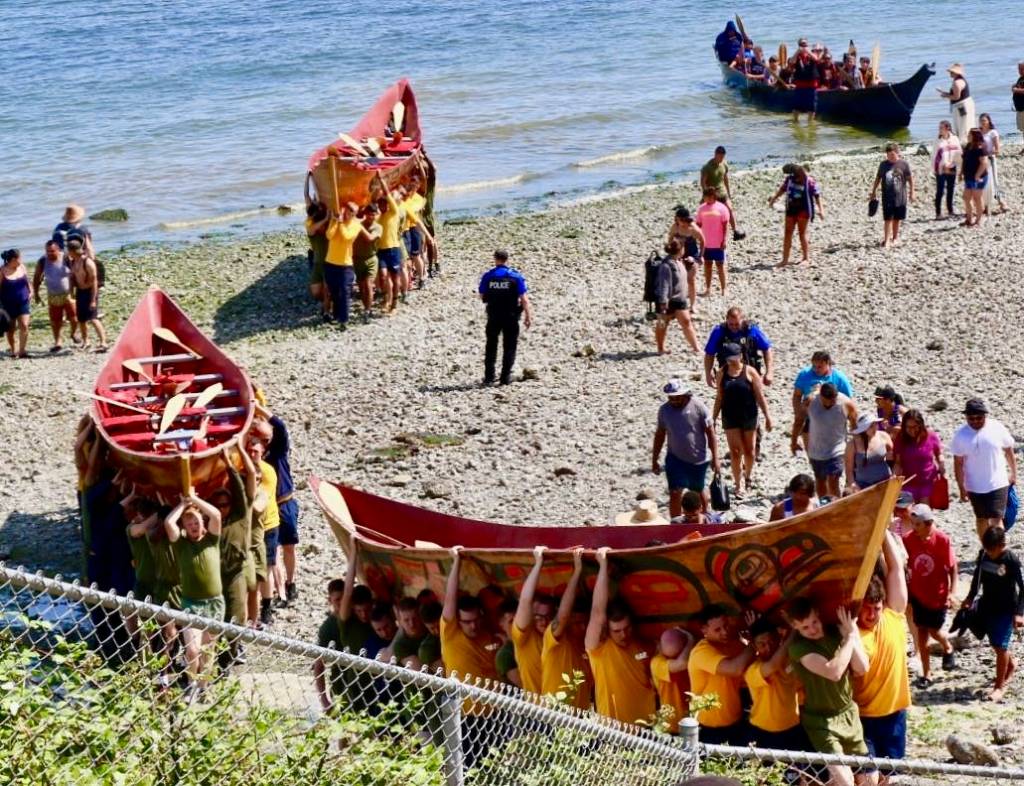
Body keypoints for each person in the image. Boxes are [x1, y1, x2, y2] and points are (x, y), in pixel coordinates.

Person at [786, 599, 869, 786]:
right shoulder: (799, 647)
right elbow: (834, 672)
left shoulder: (835, 632)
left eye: (814, 622)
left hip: (848, 713)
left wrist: (851, 632)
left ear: (819, 616)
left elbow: (862, 667)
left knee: (868, 779)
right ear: (796, 627)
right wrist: (848, 638)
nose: (812, 630)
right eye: (805, 627)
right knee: (844, 780)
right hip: (821, 721)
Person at [853, 532, 910, 776]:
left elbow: (896, 567)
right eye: (866, 609)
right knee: (866, 778)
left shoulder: (893, 614)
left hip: (895, 714)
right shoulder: (852, 632)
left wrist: (882, 528)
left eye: (876, 608)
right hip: (863, 717)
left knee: (891, 776)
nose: (872, 615)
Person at [585, 547, 656, 724]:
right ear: (607, 631)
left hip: (648, 728)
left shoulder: (641, 647)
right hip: (614, 730)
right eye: (617, 631)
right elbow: (598, 612)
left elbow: (646, 658)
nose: (624, 634)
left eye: (627, 628)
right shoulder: (598, 650)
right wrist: (602, 566)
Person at [164, 492, 223, 687]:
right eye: (189, 525)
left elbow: (216, 516)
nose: (193, 527)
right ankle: (191, 683)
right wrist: (183, 504)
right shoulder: (181, 545)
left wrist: (196, 500)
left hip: (214, 603)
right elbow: (168, 524)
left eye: (196, 522)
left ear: (202, 523)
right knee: (192, 649)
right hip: (191, 603)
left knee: (208, 649)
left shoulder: (211, 539)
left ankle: (203, 687)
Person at [963, 526, 1024, 701]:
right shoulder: (984, 554)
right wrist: (969, 597)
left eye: (992, 550)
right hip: (987, 605)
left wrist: (1019, 613)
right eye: (987, 549)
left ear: (1001, 545)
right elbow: (977, 577)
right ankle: (1011, 665)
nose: (989, 553)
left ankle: (999, 687)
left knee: (1001, 646)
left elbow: (1022, 588)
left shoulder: (1011, 560)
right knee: (995, 643)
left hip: (1006, 609)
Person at [903, 504, 958, 684]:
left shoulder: (942, 540)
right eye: (912, 524)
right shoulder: (908, 540)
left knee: (934, 631)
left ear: (928, 524)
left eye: (918, 524)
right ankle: (927, 674)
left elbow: (952, 567)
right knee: (921, 635)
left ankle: (947, 646)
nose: (914, 528)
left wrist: (952, 592)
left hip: (937, 595)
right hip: (918, 594)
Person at [652, 378, 721, 516]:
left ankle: (704, 518)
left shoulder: (699, 407)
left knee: (697, 491)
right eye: (671, 398)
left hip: (698, 459)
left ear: (685, 394)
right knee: (675, 492)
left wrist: (716, 458)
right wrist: (654, 459)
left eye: (677, 398)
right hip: (675, 458)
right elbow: (660, 434)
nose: (674, 401)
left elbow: (710, 433)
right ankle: (676, 524)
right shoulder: (664, 411)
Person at [687, 604, 754, 744]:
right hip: (709, 728)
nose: (724, 632)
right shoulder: (701, 652)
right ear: (704, 630)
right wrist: (754, 641)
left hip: (736, 722)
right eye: (717, 629)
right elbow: (734, 668)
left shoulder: (735, 644)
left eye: (726, 626)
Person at [313, 558, 374, 712]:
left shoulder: (360, 618)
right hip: (342, 685)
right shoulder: (329, 628)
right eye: (337, 600)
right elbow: (319, 664)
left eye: (344, 599)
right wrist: (324, 699)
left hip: (368, 683)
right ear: (330, 600)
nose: (341, 603)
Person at [950, 398, 1016, 539]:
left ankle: (999, 552)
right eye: (971, 418)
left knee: (996, 519)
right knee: (981, 519)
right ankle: (987, 549)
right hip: (974, 485)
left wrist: (1013, 473)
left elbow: (1009, 450)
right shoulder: (960, 435)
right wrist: (961, 487)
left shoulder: (997, 428)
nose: (975, 421)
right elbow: (958, 463)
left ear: (985, 415)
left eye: (979, 418)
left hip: (998, 482)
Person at [712, 343, 772, 497]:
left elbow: (759, 396)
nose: (730, 361)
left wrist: (767, 416)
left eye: (733, 357)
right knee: (735, 451)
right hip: (730, 416)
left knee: (750, 451)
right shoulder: (722, 373)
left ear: (740, 356)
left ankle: (748, 476)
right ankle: (739, 484)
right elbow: (719, 397)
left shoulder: (750, 372)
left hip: (749, 415)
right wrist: (713, 418)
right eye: (728, 358)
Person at [441, 547, 501, 687]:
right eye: (467, 622)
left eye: (476, 620)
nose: (473, 626)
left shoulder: (487, 636)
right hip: (462, 708)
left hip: (492, 707)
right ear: (458, 621)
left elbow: (491, 652)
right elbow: (450, 597)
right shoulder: (450, 634)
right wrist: (457, 561)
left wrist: (499, 644)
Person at [541, 547, 592, 709]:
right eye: (578, 623)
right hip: (553, 716)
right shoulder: (556, 640)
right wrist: (577, 572)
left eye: (585, 623)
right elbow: (563, 616)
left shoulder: (587, 648)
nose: (583, 627)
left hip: (579, 723)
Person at [744, 617, 805, 750]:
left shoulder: (791, 660)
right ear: (754, 646)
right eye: (762, 644)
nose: (768, 647)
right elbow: (772, 665)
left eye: (772, 641)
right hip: (761, 732)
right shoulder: (753, 670)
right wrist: (794, 631)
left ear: (779, 639)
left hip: (792, 729)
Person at [792, 383, 858, 499]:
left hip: (837, 449)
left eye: (833, 400)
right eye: (828, 401)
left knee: (833, 480)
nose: (831, 404)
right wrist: (793, 441)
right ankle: (824, 505)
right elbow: (799, 420)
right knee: (820, 481)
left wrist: (856, 444)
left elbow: (855, 424)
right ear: (821, 396)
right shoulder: (811, 402)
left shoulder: (846, 403)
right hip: (816, 450)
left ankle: (837, 508)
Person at [477, 249, 532, 386]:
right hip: (511, 316)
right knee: (510, 346)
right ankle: (505, 377)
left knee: (491, 345)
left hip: (494, 315)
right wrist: (528, 316)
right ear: (507, 259)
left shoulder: (488, 276)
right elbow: (524, 299)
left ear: (495, 259)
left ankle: (489, 376)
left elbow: (482, 296)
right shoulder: (516, 276)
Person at [262, 407, 299, 603]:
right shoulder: (258, 457)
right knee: (274, 551)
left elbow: (280, 426)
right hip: (271, 508)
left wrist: (258, 408)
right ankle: (281, 592)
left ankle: (290, 583)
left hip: (285, 502)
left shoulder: (278, 450)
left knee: (289, 547)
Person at [510, 546, 556, 695]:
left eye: (548, 616)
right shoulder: (524, 639)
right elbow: (525, 601)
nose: (544, 621)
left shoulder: (558, 637)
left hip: (566, 712)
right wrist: (538, 564)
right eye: (538, 617)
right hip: (538, 712)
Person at [324, 202, 374, 330]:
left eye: (352, 210)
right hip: (331, 262)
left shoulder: (356, 225)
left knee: (345, 292)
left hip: (345, 265)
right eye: (348, 209)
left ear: (355, 214)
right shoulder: (335, 221)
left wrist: (339, 223)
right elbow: (329, 235)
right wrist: (335, 221)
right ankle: (336, 314)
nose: (348, 212)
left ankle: (344, 320)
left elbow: (347, 236)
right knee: (334, 291)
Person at [791, 350, 854, 446]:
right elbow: (797, 395)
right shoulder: (804, 375)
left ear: (828, 363)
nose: (816, 369)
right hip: (811, 417)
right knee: (812, 453)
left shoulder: (839, 378)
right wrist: (798, 412)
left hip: (833, 419)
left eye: (820, 367)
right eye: (814, 366)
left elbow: (848, 400)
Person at [703, 306, 774, 388]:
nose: (734, 327)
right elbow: (709, 354)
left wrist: (769, 372)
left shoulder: (752, 330)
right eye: (731, 324)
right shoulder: (719, 332)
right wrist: (708, 373)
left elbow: (767, 349)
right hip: (727, 375)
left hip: (750, 373)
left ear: (743, 320)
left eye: (737, 324)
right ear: (726, 320)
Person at [768, 164, 822, 266]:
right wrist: (774, 199)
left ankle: (806, 258)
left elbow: (817, 195)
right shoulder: (790, 180)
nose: (802, 175)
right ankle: (785, 259)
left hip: (803, 209)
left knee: (802, 233)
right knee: (787, 233)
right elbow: (782, 190)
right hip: (791, 208)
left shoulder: (809, 181)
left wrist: (821, 210)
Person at [654, 239, 700, 354]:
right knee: (663, 324)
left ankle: (696, 347)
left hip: (680, 299)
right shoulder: (666, 265)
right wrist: (663, 303)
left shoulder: (679, 262)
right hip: (668, 300)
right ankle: (660, 348)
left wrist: (690, 264)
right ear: (680, 250)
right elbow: (663, 284)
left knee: (686, 322)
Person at [32, 240, 79, 352]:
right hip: (52, 295)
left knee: (74, 318)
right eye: (48, 251)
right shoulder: (43, 261)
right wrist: (36, 294)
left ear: (58, 250)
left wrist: (78, 290)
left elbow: (75, 273)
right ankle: (58, 341)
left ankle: (73, 334)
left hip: (68, 294)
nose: (50, 253)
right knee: (55, 321)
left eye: (52, 251)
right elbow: (37, 278)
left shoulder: (66, 258)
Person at [893, 409, 945, 504]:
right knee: (906, 516)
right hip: (907, 484)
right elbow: (898, 462)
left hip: (927, 483)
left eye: (915, 427)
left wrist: (941, 464)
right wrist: (894, 477)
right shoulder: (900, 438)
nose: (912, 430)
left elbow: (939, 453)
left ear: (921, 425)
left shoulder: (931, 435)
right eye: (908, 427)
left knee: (923, 514)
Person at [651, 626, 696, 733]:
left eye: (677, 655)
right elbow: (682, 664)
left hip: (691, 720)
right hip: (670, 725)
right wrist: (691, 640)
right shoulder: (657, 663)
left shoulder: (690, 656)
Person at [869, 143, 914, 248]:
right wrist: (874, 191)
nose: (890, 157)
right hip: (887, 196)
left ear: (897, 153)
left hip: (901, 196)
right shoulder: (883, 165)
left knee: (897, 219)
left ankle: (895, 238)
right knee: (888, 219)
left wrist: (912, 192)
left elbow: (910, 179)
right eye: (888, 155)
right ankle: (887, 240)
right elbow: (878, 178)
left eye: (892, 155)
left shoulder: (903, 164)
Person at [67, 237, 107, 351]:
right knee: (82, 319)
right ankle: (86, 341)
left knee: (93, 318)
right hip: (80, 292)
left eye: (69, 250)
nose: (68, 253)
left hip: (90, 292)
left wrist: (93, 300)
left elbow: (94, 282)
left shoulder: (88, 262)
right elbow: (72, 278)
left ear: (73, 250)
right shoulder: (73, 262)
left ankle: (103, 342)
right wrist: (71, 293)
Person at [699, 146, 745, 242]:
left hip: (722, 192)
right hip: (711, 193)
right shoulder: (707, 167)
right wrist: (706, 194)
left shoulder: (724, 164)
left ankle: (735, 231)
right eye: (720, 156)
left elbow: (725, 178)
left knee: (730, 209)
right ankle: (700, 234)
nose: (721, 159)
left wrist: (728, 191)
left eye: (723, 157)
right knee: (705, 213)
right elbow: (703, 182)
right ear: (715, 154)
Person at [375, 176, 406, 313]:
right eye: (380, 205)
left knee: (395, 277)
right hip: (381, 251)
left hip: (393, 249)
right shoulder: (378, 217)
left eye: (384, 205)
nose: (382, 207)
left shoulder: (393, 212)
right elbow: (372, 200)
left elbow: (387, 194)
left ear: (388, 204)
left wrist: (382, 180)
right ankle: (387, 299)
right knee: (383, 275)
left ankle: (394, 302)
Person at [666, 207, 704, 310]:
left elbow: (702, 241)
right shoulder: (675, 227)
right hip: (678, 255)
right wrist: (670, 251)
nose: (681, 222)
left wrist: (701, 256)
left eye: (683, 220)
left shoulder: (693, 229)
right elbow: (670, 238)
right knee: (676, 280)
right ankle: (676, 303)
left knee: (690, 280)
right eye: (679, 220)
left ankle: (692, 305)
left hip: (692, 255)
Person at [695, 188, 731, 296]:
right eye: (706, 196)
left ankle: (724, 288)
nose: (708, 198)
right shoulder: (701, 209)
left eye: (710, 196)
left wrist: (724, 240)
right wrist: (698, 238)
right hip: (706, 243)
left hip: (718, 241)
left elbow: (725, 225)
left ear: (714, 196)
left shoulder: (722, 208)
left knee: (720, 265)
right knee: (708, 265)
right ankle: (708, 288)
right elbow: (698, 224)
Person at [845, 414, 894, 493]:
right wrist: (853, 484)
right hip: (863, 485)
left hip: (885, 481)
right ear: (863, 430)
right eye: (871, 426)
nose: (875, 428)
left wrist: (893, 475)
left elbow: (893, 457)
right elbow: (849, 469)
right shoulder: (852, 444)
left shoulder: (883, 436)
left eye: (875, 424)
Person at [353, 203, 383, 322]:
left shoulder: (378, 227)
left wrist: (359, 226)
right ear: (365, 214)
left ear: (376, 215)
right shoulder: (357, 225)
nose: (371, 217)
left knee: (369, 284)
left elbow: (370, 238)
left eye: (373, 214)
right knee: (361, 286)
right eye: (369, 214)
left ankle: (368, 310)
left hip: (371, 259)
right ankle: (366, 306)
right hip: (357, 259)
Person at [0, 249, 32, 358]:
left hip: (23, 302)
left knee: (24, 325)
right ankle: (13, 350)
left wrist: (31, 291)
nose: (21, 260)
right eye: (20, 258)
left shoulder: (22, 267)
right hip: (8, 305)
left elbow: (27, 281)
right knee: (11, 329)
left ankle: (22, 351)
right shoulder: (2, 271)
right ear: (13, 259)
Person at [304, 199, 330, 319]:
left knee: (326, 289)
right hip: (317, 263)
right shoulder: (312, 229)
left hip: (329, 263)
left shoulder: (329, 230)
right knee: (315, 292)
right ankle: (327, 303)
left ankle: (326, 311)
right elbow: (312, 229)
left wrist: (327, 219)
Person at [960, 128, 990, 228]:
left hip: (979, 177)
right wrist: (961, 173)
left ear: (975, 136)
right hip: (968, 176)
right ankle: (969, 218)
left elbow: (984, 163)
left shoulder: (981, 148)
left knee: (977, 198)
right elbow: (964, 160)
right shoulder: (968, 146)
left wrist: (977, 175)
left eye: (970, 134)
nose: (968, 136)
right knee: (966, 197)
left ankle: (979, 220)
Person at [938, 64, 975, 145]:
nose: (950, 73)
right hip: (964, 104)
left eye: (952, 72)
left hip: (961, 106)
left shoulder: (957, 82)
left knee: (962, 126)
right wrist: (945, 93)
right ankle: (965, 142)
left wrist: (945, 95)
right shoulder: (960, 80)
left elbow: (956, 97)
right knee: (965, 124)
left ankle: (963, 143)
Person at [979, 113, 1007, 214]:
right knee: (984, 183)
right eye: (981, 121)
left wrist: (989, 154)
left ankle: (1002, 202)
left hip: (990, 159)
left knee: (995, 182)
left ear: (989, 121)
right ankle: (986, 205)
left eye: (984, 120)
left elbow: (997, 149)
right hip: (981, 161)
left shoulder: (993, 132)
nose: (982, 122)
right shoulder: (978, 133)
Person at [933, 121, 961, 219]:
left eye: (941, 128)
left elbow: (958, 152)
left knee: (951, 189)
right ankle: (938, 213)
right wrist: (935, 168)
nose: (939, 130)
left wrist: (959, 166)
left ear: (948, 128)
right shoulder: (937, 140)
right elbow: (934, 155)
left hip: (952, 166)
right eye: (939, 128)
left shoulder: (955, 139)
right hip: (941, 168)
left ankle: (950, 210)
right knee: (940, 190)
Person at [789, 39, 820, 120]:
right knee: (797, 106)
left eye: (805, 44)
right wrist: (797, 52)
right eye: (802, 45)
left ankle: (810, 124)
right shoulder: (797, 56)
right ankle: (795, 122)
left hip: (811, 85)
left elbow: (816, 59)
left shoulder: (811, 54)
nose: (804, 46)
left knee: (811, 107)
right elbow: (791, 62)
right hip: (800, 85)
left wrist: (808, 51)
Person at [1013, 63, 1024, 144]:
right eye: (1019, 69)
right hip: (1020, 108)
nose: (1020, 71)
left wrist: (1016, 90)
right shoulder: (1020, 78)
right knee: (1022, 128)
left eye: (1022, 69)